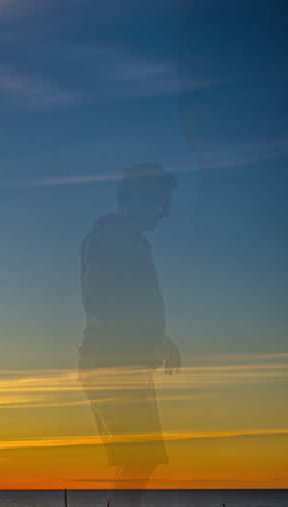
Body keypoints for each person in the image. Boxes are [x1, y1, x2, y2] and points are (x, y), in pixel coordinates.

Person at [79, 163, 180, 486]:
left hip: (122, 361)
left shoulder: (125, 240)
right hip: (112, 362)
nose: (165, 213)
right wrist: (150, 338)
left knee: (140, 461)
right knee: (138, 460)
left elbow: (126, 300)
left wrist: (159, 338)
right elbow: (102, 301)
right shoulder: (110, 238)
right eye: (160, 202)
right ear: (136, 198)